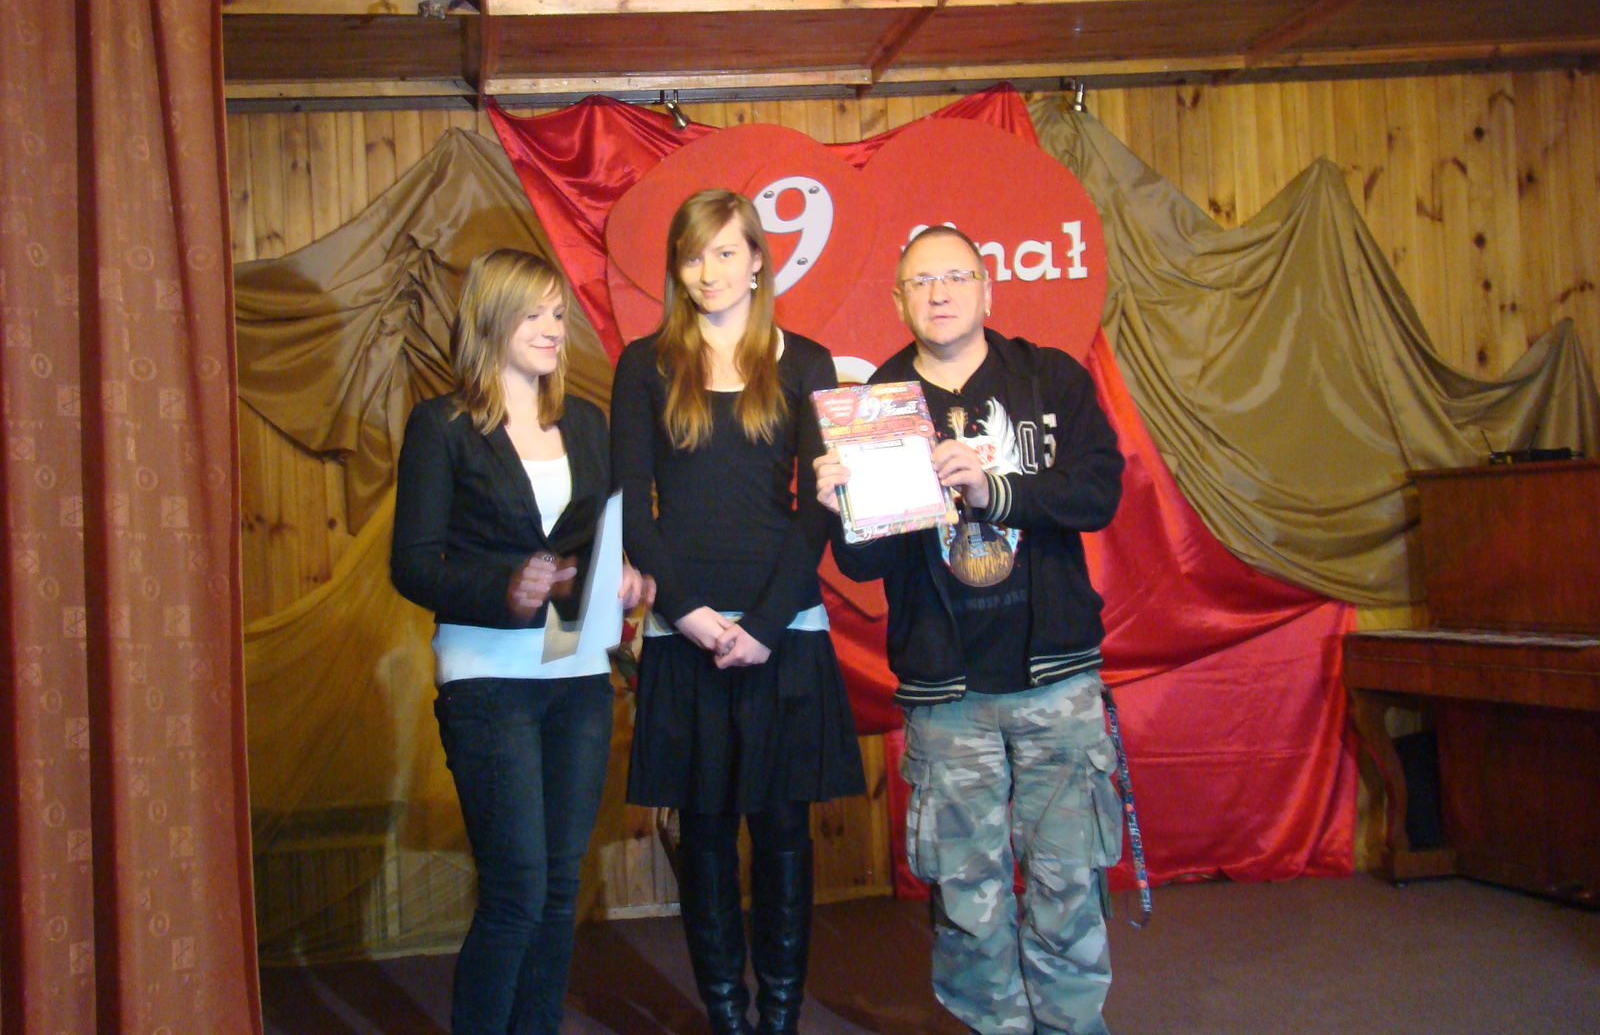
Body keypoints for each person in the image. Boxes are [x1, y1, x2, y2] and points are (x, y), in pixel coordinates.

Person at [815, 225, 1126, 1035]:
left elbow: (1099, 491)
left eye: (955, 276)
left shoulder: (1047, 377)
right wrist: (843, 510)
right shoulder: (879, 403)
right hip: (947, 690)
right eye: (921, 282)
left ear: (987, 289)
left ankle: (1071, 1027)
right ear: (899, 301)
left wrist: (997, 491)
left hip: (1055, 677)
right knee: (966, 897)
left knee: (1068, 880)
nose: (940, 293)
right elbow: (865, 563)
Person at [611, 188, 866, 1035]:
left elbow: (821, 507)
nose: (709, 270)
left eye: (725, 252)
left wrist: (763, 624)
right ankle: (727, 1014)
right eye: (692, 256)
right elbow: (631, 508)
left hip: (781, 627)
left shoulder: (806, 362)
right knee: (707, 832)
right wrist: (684, 613)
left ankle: (779, 1017)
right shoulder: (644, 365)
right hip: (683, 631)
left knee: (784, 829)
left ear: (758, 259)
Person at [391, 248, 652, 1035]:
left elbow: (598, 539)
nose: (551, 328)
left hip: (577, 674)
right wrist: (504, 590)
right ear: (491, 318)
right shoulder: (442, 425)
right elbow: (413, 565)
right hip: (487, 678)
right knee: (516, 892)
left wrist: (623, 575)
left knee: (560, 887)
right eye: (533, 313)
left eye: (558, 314)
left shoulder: (585, 422)